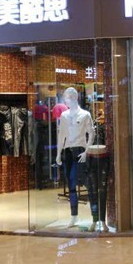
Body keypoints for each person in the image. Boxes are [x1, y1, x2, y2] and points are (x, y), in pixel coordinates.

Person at [56, 87, 95, 228]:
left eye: (68, 98)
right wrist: (58, 154)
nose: (66, 101)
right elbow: (61, 135)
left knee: (87, 183)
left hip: (80, 150)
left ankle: (95, 217)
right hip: (68, 151)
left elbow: (91, 133)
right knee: (71, 184)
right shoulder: (64, 116)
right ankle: (74, 216)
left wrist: (86, 151)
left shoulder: (85, 114)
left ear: (74, 98)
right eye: (66, 98)